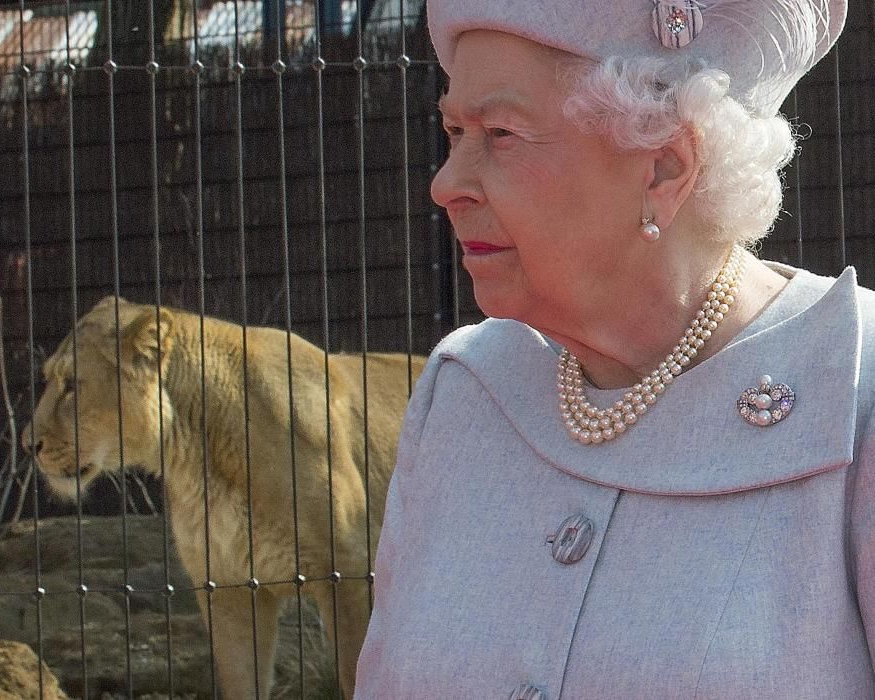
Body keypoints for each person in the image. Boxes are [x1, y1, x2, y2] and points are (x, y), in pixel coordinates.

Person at [354, 0, 875, 698]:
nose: (445, 184)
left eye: (500, 133)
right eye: (454, 129)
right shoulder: (462, 392)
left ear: (663, 165)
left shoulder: (854, 394)